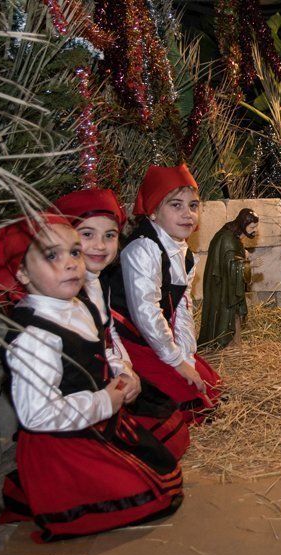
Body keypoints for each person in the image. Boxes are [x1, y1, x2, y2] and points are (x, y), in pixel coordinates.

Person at [0, 215, 182, 542]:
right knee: (149, 496)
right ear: (21, 272)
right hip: (60, 439)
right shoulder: (34, 337)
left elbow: (103, 349)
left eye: (75, 252)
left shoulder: (76, 306)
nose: (71, 264)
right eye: (52, 256)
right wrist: (104, 401)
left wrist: (123, 374)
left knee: (164, 461)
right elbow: (37, 414)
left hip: (94, 416)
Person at [53, 189, 190, 459]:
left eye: (110, 235)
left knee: (174, 429)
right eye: (87, 234)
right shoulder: (62, 295)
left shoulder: (97, 281)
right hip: (77, 396)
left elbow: (109, 335)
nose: (100, 246)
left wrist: (125, 371)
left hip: (105, 378)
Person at [106, 164, 222, 423]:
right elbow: (145, 312)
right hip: (132, 337)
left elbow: (182, 307)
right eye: (176, 205)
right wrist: (174, 360)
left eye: (193, 205)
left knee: (209, 384)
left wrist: (186, 355)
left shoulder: (185, 253)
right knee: (185, 397)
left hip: (156, 335)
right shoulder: (143, 249)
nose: (187, 214)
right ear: (154, 212)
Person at [197, 208, 259, 349]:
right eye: (252, 227)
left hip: (228, 286)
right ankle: (228, 345)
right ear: (243, 224)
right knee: (229, 313)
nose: (255, 230)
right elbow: (230, 266)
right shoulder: (227, 239)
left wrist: (243, 255)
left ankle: (235, 343)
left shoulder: (234, 237)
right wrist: (248, 264)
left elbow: (233, 258)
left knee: (235, 314)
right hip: (223, 288)